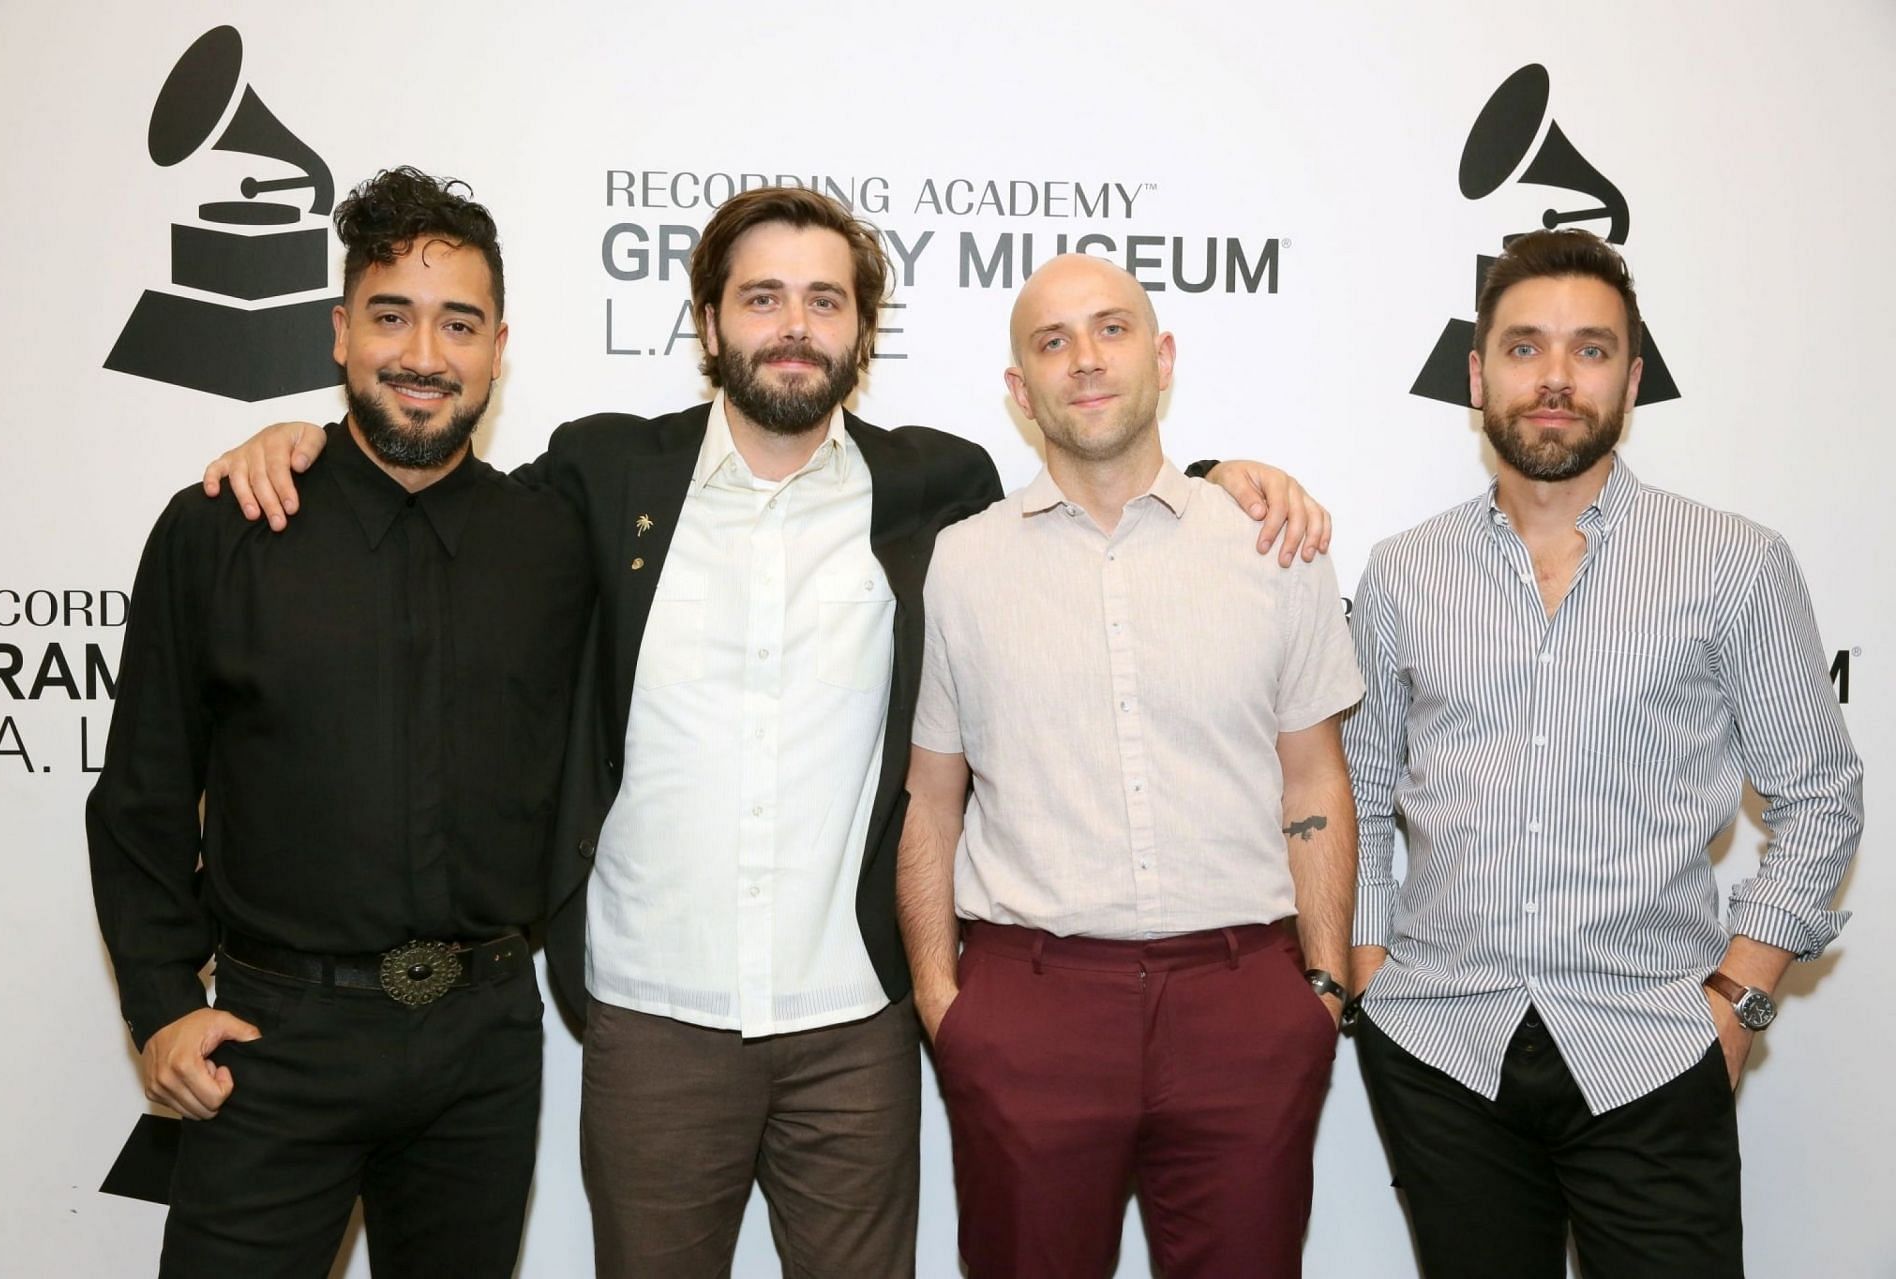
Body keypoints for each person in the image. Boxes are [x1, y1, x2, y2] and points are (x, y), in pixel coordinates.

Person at [203, 187, 1328, 1277]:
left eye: (826, 302)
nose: (794, 327)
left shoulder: (937, 485)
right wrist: (309, 438)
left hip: (855, 1022)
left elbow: (1104, 480)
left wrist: (1227, 480)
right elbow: (433, 479)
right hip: (652, 1016)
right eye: (762, 299)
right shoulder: (604, 472)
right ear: (708, 322)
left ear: (860, 334)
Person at [87, 168, 592, 1278]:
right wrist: (165, 1006)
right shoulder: (222, 527)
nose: (424, 353)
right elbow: (142, 793)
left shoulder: (557, 545)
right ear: (337, 332)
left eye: (457, 322)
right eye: (390, 316)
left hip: (484, 1051)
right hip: (275, 1044)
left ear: (500, 347)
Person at [1343, 228, 1863, 1277]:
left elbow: (1822, 797)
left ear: (1631, 381)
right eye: (1526, 346)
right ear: (1480, 373)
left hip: (1656, 1050)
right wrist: (1367, 968)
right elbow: (1356, 792)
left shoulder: (1736, 562)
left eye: (1589, 350)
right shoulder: (1402, 574)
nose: (1554, 378)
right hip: (1443, 1052)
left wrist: (1741, 997)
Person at [896, 253, 1362, 1278]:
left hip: (1242, 1000)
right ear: (1020, 391)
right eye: (1050, 342)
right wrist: (944, 1000)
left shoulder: (1271, 545)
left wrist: (1319, 988)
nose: (1085, 360)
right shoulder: (964, 564)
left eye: (1110, 329)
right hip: (1031, 1007)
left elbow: (1317, 777)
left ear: (1162, 358)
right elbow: (932, 801)